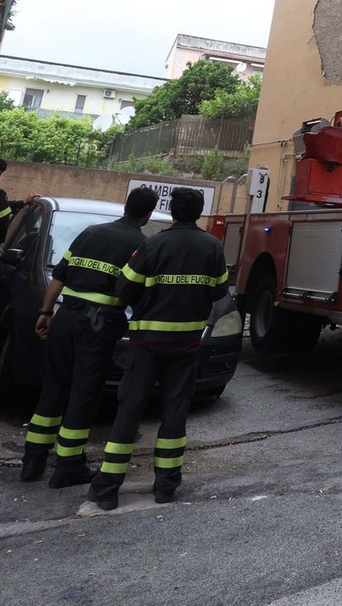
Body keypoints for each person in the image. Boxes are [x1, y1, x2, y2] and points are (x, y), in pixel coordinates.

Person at [87, 187, 227, 511]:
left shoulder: (153, 244)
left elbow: (123, 287)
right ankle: (166, 486)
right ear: (199, 212)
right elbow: (220, 289)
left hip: (146, 344)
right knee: (176, 411)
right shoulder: (213, 247)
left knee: (130, 410)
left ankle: (107, 489)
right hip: (188, 344)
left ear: (173, 211)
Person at [20, 186, 159, 486]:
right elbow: (138, 293)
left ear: (126, 205)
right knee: (84, 393)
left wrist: (45, 313)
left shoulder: (91, 233)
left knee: (53, 387)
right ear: (147, 215)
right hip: (98, 325)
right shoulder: (140, 244)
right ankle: (68, 468)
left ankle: (32, 462)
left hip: (65, 316)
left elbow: (59, 275)